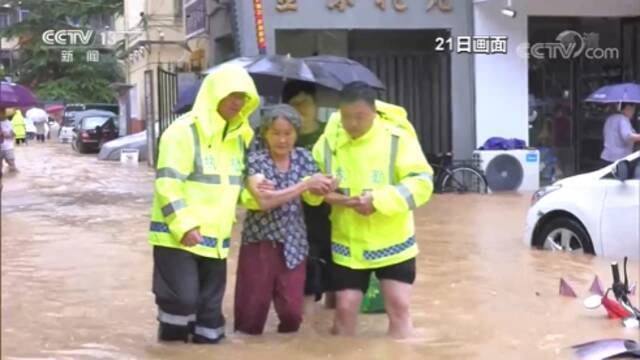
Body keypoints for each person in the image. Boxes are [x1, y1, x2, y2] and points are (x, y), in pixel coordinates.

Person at [148, 65, 264, 344]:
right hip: (178, 238)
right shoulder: (181, 132)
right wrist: (184, 225)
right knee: (181, 302)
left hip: (216, 240)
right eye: (232, 95)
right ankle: (171, 347)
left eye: (243, 97)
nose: (238, 103)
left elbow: (232, 188)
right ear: (214, 95)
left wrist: (257, 196)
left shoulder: (239, 138)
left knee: (210, 318)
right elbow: (167, 184)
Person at [312, 82, 434, 339]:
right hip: (349, 241)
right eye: (346, 117)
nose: (352, 124)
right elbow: (310, 185)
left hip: (394, 240)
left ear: (374, 113)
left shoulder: (397, 138)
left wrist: (379, 200)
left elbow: (422, 183)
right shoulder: (329, 140)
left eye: (360, 117)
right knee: (344, 308)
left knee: (399, 306)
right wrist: (320, 188)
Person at [234, 104, 336, 335]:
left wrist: (325, 186)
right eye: (276, 133)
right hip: (259, 242)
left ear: (296, 134)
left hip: (294, 243)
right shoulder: (257, 160)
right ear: (265, 134)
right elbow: (265, 201)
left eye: (288, 133)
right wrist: (304, 184)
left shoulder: (304, 158)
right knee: (252, 315)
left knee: (292, 314)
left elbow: (312, 199)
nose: (282, 140)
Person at [281, 81, 335, 308]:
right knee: (305, 276)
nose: (302, 110)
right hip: (296, 217)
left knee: (336, 276)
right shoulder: (283, 138)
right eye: (295, 105)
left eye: (306, 104)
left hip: (331, 213)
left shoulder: (330, 135)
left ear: (316, 105)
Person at [601, 102, 640, 167]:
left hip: (607, 156)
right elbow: (627, 137)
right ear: (627, 108)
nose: (633, 112)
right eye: (633, 109)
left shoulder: (610, 118)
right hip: (619, 159)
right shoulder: (623, 119)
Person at [0, 107, 18, 178]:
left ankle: (14, 178)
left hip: (8, 147)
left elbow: (13, 134)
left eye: (3, 111)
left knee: (12, 164)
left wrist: (7, 135)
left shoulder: (9, 123)